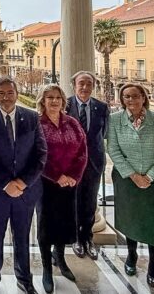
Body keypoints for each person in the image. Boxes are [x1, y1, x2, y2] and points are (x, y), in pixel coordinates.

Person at [0, 75, 47, 294]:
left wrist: (23, 182)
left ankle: (24, 279)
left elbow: (41, 153)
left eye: (9, 93)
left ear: (17, 93)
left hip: (25, 192)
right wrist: (6, 183)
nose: (6, 97)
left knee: (23, 236)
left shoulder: (32, 117)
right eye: (1, 93)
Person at [108, 83, 154, 288]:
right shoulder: (115, 119)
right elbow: (114, 150)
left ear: (144, 97)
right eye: (126, 96)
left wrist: (151, 176)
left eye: (135, 96)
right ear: (121, 99)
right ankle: (131, 255)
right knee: (130, 219)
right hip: (127, 179)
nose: (131, 100)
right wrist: (133, 175)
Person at [36, 83, 87, 293]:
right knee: (46, 227)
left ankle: (60, 259)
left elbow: (83, 151)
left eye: (57, 97)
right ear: (43, 101)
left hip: (69, 185)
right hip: (46, 184)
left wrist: (73, 176)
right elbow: (36, 154)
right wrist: (57, 176)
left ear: (63, 101)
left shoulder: (72, 123)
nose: (54, 101)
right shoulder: (37, 124)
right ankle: (47, 269)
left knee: (65, 223)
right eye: (49, 97)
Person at [66, 71, 109, 259]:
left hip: (93, 163)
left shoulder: (102, 107)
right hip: (71, 165)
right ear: (74, 85)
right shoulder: (65, 105)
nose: (85, 87)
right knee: (73, 201)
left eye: (89, 84)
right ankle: (75, 237)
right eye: (81, 83)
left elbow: (104, 133)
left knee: (90, 202)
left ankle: (87, 238)